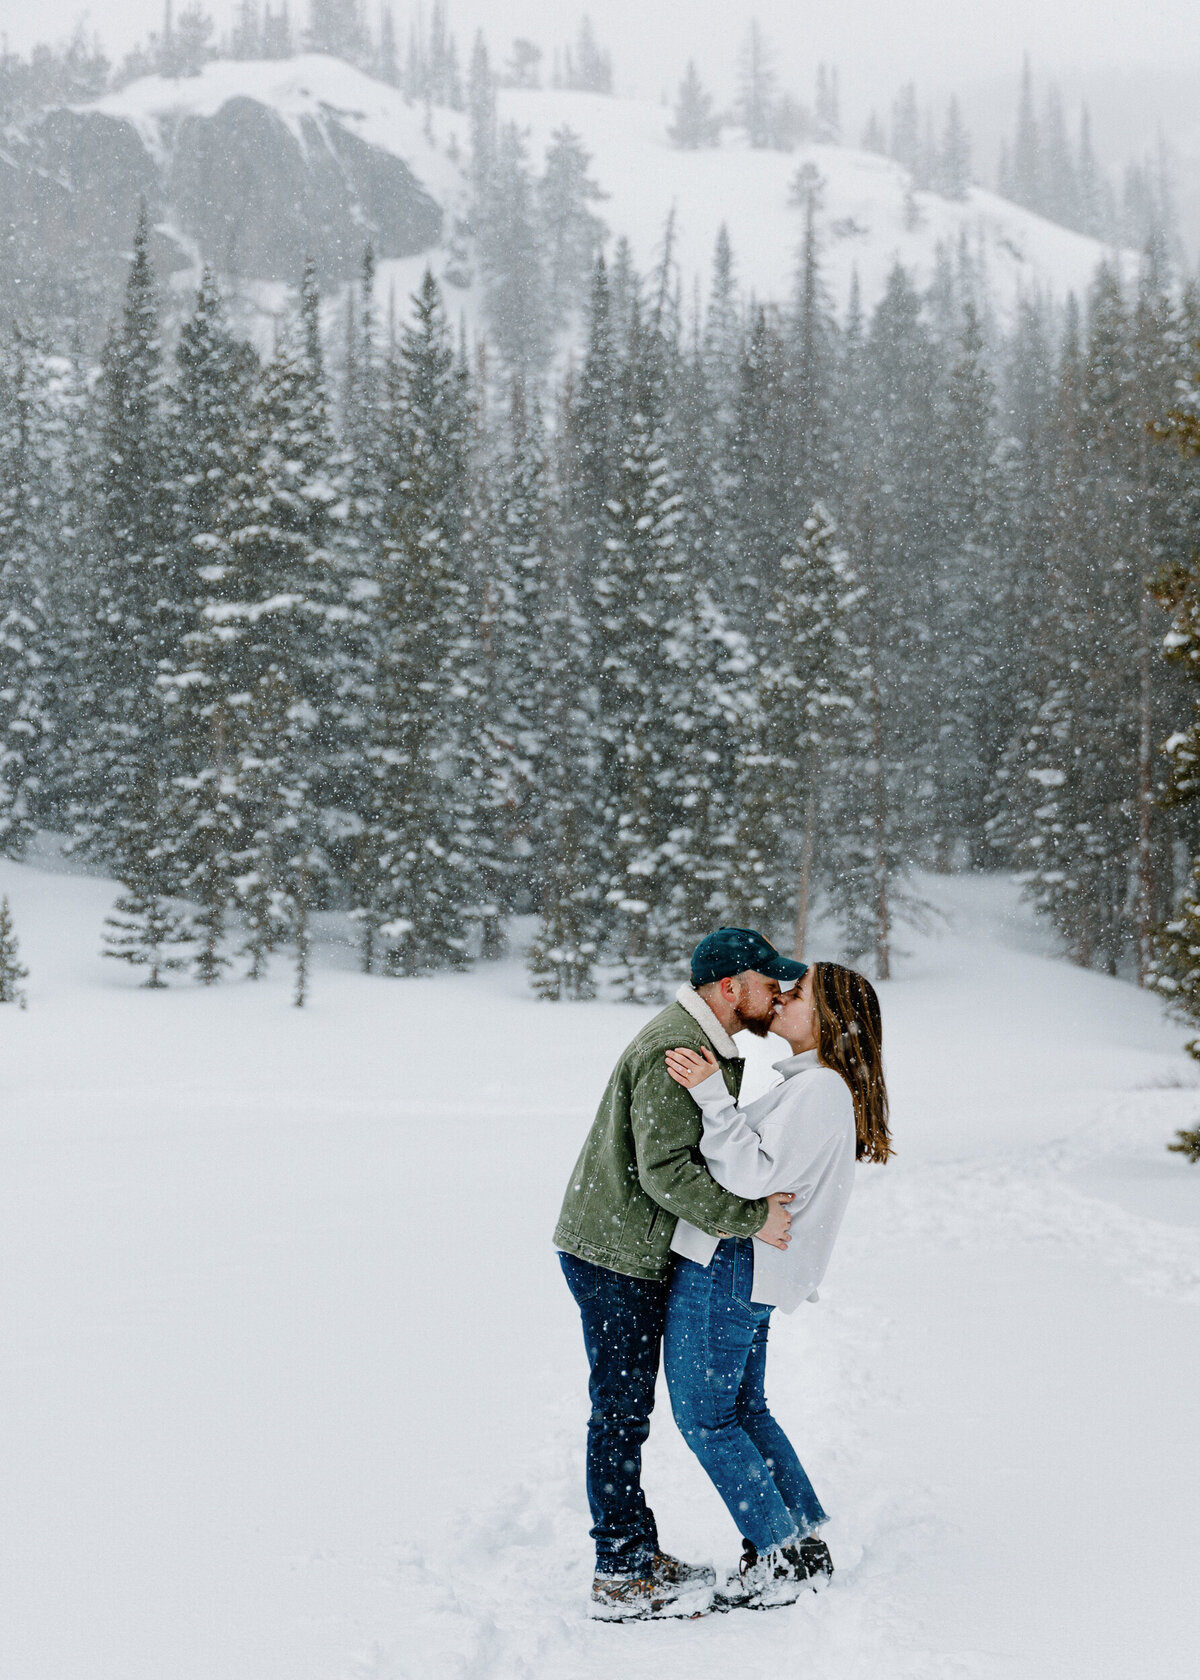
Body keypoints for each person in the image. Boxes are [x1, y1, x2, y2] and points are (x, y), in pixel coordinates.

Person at [554, 928, 808, 1620]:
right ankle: (620, 1571)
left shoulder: (706, 1046)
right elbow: (665, 1171)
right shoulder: (679, 1047)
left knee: (627, 1410)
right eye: (768, 982)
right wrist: (750, 1216)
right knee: (620, 1412)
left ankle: (634, 1550)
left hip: (627, 1248)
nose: (778, 994)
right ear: (730, 988)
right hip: (614, 1255)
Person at [662, 962, 892, 1609]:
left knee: (707, 1421)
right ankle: (800, 1541)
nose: (782, 1001)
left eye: (798, 996)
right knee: (742, 1413)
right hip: (747, 1266)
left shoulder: (818, 1089)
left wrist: (710, 1094)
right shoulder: (813, 1087)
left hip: (731, 1263)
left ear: (831, 1020)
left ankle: (777, 1555)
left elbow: (752, 1178)